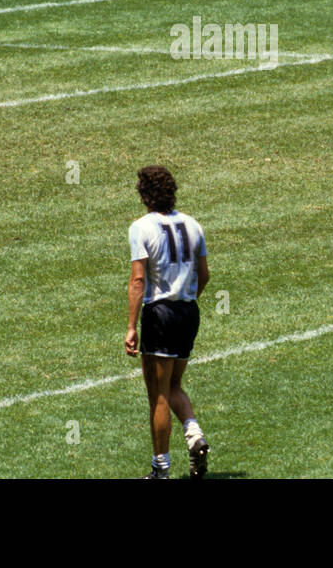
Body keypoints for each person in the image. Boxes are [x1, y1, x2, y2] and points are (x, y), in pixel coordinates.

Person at [125, 164, 211, 480]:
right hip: (188, 313)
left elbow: (137, 280)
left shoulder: (141, 227)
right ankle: (193, 434)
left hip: (159, 314)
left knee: (158, 393)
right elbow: (204, 276)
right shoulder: (193, 224)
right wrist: (186, 302)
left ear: (144, 194)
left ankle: (160, 468)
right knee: (174, 384)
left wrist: (132, 326)